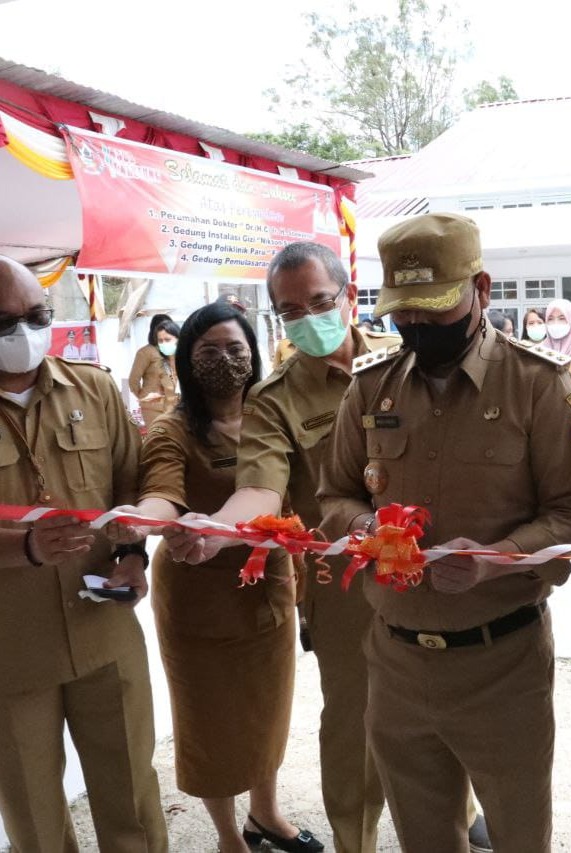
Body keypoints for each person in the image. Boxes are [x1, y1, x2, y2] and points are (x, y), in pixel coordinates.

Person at [161, 242, 490, 853]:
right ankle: (354, 839)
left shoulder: (409, 359)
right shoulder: (274, 398)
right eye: (289, 312)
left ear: (348, 293)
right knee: (354, 731)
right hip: (348, 593)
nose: (308, 319)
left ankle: (459, 816)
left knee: (447, 706)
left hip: (437, 572)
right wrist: (218, 530)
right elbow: (260, 489)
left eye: (319, 301)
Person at [317, 212, 571, 853]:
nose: (415, 324)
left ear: (482, 289)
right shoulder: (369, 388)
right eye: (402, 310)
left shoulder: (540, 385)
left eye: (434, 308)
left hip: (503, 663)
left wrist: (497, 559)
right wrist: (369, 528)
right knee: (423, 837)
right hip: (394, 659)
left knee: (520, 834)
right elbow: (334, 495)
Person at [109, 302, 319, 853]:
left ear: (254, 353)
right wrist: (147, 520)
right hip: (199, 597)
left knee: (268, 710)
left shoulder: (273, 416)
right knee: (210, 725)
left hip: (268, 588)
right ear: (186, 361)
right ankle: (229, 837)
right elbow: (160, 491)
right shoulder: (173, 430)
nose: (224, 360)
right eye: (208, 351)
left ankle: (266, 815)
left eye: (234, 348)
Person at [0, 256, 167, 851]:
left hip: (104, 627)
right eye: (4, 322)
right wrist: (22, 546)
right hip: (12, 652)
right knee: (34, 815)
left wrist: (135, 555)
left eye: (37, 316)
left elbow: (130, 480)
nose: (24, 333)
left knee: (132, 798)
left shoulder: (93, 388)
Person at [130, 315, 180, 427]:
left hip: (174, 406)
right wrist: (144, 396)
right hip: (153, 408)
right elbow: (133, 380)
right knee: (159, 438)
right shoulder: (145, 352)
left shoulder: (176, 353)